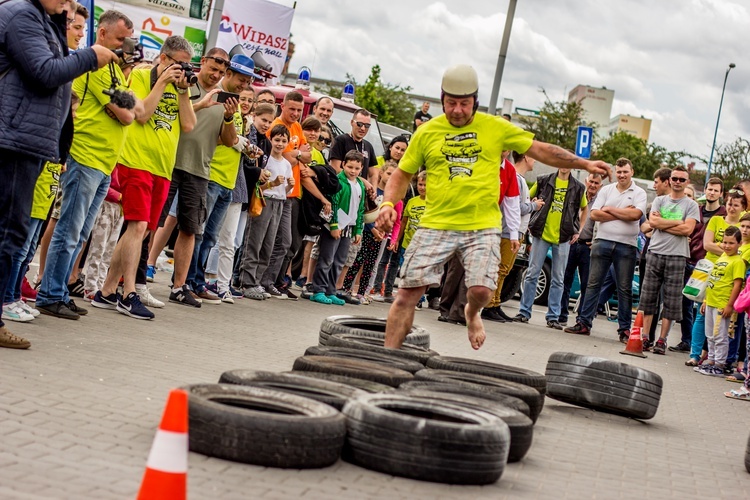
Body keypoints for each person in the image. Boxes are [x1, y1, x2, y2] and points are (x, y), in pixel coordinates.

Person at [375, 65, 610, 350]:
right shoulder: (428, 132)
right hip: (436, 222)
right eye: (451, 103)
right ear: (442, 99)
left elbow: (540, 149)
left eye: (464, 103)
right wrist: (388, 203)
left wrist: (583, 163)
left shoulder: (495, 127)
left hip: (482, 225)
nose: (458, 110)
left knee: (482, 290)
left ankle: (472, 313)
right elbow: (402, 174)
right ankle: (389, 358)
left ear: (475, 100)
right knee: (406, 295)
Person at [36, 10, 137, 321]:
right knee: (69, 230)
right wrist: (125, 108)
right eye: (121, 39)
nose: (126, 47)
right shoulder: (93, 67)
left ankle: (61, 290)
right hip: (86, 157)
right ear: (102, 34)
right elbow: (126, 114)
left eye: (128, 41)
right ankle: (50, 293)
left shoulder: (117, 72)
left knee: (80, 235)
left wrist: (126, 105)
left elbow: (134, 111)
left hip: (104, 163)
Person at [92, 36, 199, 319]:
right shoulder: (141, 76)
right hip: (135, 161)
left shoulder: (180, 89)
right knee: (137, 227)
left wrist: (184, 91)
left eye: (187, 66)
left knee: (141, 232)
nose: (183, 70)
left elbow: (188, 125)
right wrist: (162, 82)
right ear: (163, 58)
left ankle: (105, 291)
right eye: (179, 64)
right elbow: (141, 115)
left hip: (163, 167)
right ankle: (128, 294)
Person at [145, 48, 237, 307]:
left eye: (221, 72)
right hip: (169, 163)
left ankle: (178, 286)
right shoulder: (183, 84)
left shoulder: (226, 100)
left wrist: (229, 117)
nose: (216, 75)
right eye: (213, 68)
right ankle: (139, 275)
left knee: (191, 230)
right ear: (203, 62)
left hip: (199, 170)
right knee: (153, 222)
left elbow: (229, 141)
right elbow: (172, 116)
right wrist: (201, 102)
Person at [187, 54, 256, 304]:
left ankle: (197, 280)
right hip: (211, 173)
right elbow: (211, 136)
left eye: (248, 81)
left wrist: (240, 142)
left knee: (210, 237)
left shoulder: (235, 104)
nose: (244, 84)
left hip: (229, 180)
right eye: (241, 79)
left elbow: (230, 136)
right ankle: (189, 280)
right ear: (228, 74)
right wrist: (237, 141)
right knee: (198, 232)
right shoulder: (215, 97)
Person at [565, 158, 647, 339]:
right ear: (615, 173)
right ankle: (584, 323)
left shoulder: (639, 193)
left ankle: (624, 330)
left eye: (625, 171)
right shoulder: (606, 190)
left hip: (627, 246)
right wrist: (622, 212)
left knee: (624, 288)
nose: (622, 175)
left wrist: (608, 210)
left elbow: (635, 215)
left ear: (632, 172)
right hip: (602, 241)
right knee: (593, 284)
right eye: (619, 171)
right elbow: (594, 214)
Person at [514, 166, 588, 329]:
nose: (564, 165)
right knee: (532, 273)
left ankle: (553, 317)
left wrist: (579, 230)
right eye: (561, 161)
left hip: (563, 236)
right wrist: (530, 216)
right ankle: (524, 312)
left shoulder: (578, 187)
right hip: (541, 233)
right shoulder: (543, 180)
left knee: (558, 278)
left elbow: (585, 208)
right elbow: (526, 199)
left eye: (568, 162)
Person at [638, 166, 700, 355]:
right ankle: (645, 337)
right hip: (655, 252)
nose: (678, 182)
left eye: (682, 179)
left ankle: (662, 340)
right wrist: (677, 222)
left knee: (672, 302)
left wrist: (663, 223)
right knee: (648, 299)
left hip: (677, 256)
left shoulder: (691, 205)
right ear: (670, 180)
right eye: (675, 178)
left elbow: (688, 230)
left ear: (687, 182)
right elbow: (652, 222)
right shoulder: (659, 200)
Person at [685, 189, 746, 364]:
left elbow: (722, 247)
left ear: (743, 208)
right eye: (729, 204)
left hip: (728, 279)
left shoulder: (743, 228)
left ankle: (719, 361)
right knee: (702, 315)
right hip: (710, 269)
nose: (731, 208)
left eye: (735, 205)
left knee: (722, 327)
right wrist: (730, 251)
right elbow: (707, 244)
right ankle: (696, 355)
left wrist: (727, 252)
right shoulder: (716, 220)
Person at [239, 125, 294, 300]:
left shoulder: (286, 164)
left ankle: (257, 281)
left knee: (268, 245)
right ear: (270, 140)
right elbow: (259, 187)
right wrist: (272, 184)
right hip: (264, 200)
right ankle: (246, 281)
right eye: (276, 140)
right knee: (255, 241)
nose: (279, 144)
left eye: (283, 141)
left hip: (279, 203)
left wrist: (289, 186)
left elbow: (284, 192)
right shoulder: (266, 159)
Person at [675, 177, 726, 353]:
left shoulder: (723, 215)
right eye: (709, 189)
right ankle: (686, 340)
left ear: (721, 193)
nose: (711, 192)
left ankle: (704, 347)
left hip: (711, 264)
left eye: (715, 190)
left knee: (704, 309)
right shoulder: (695, 210)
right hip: (690, 260)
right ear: (704, 190)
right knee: (686, 303)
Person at [341, 162, 400, 304]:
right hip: (367, 231)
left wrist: (387, 235)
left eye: (394, 175)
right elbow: (365, 212)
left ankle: (362, 292)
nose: (391, 177)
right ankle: (346, 288)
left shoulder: (394, 197)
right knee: (357, 261)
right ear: (381, 173)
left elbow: (396, 219)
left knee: (370, 264)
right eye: (388, 173)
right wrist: (372, 228)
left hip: (380, 236)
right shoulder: (372, 191)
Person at [311, 151, 365, 305]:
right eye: (349, 167)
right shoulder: (339, 181)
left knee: (339, 261)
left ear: (361, 168)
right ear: (343, 165)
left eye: (356, 168)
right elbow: (333, 203)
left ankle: (331, 290)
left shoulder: (360, 184)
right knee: (327, 258)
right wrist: (334, 225)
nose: (352, 171)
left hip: (349, 226)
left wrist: (358, 230)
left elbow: (360, 209)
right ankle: (318, 290)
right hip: (335, 225)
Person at [696, 226, 744, 376]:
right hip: (710, 301)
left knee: (720, 335)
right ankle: (711, 360)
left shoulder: (738, 262)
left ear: (739, 244)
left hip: (722, 305)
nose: (727, 246)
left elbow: (737, 284)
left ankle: (720, 364)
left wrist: (729, 305)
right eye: (725, 242)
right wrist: (705, 300)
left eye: (731, 243)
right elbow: (712, 279)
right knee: (710, 334)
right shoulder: (721, 257)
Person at [558, 173, 603, 326]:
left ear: (600, 186)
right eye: (591, 181)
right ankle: (561, 315)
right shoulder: (577, 196)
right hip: (570, 243)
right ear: (586, 181)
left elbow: (602, 223)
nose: (593, 185)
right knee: (565, 279)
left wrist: (596, 241)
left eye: (596, 183)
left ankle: (582, 319)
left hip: (588, 247)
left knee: (587, 284)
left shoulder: (601, 203)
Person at [481, 152, 521, 323]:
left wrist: (514, 234)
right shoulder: (483, 160)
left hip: (492, 224)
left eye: (507, 148)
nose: (503, 151)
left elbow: (512, 204)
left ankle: (491, 305)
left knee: (499, 269)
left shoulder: (509, 170)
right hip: (473, 219)